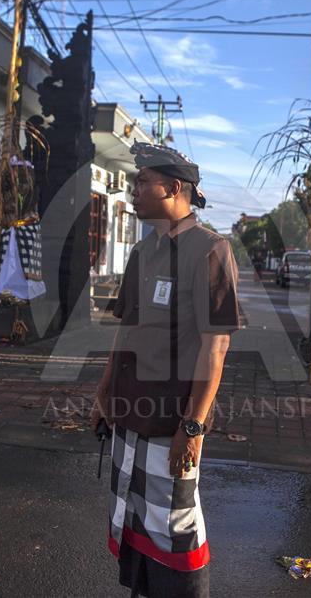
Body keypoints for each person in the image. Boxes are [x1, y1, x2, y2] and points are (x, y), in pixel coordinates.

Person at [90, 142, 241, 597]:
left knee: (176, 527)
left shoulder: (211, 250)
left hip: (171, 419)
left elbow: (216, 346)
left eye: (142, 183)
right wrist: (103, 394)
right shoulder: (143, 252)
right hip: (129, 411)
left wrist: (193, 425)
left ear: (173, 188)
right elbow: (125, 332)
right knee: (133, 514)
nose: (133, 190)